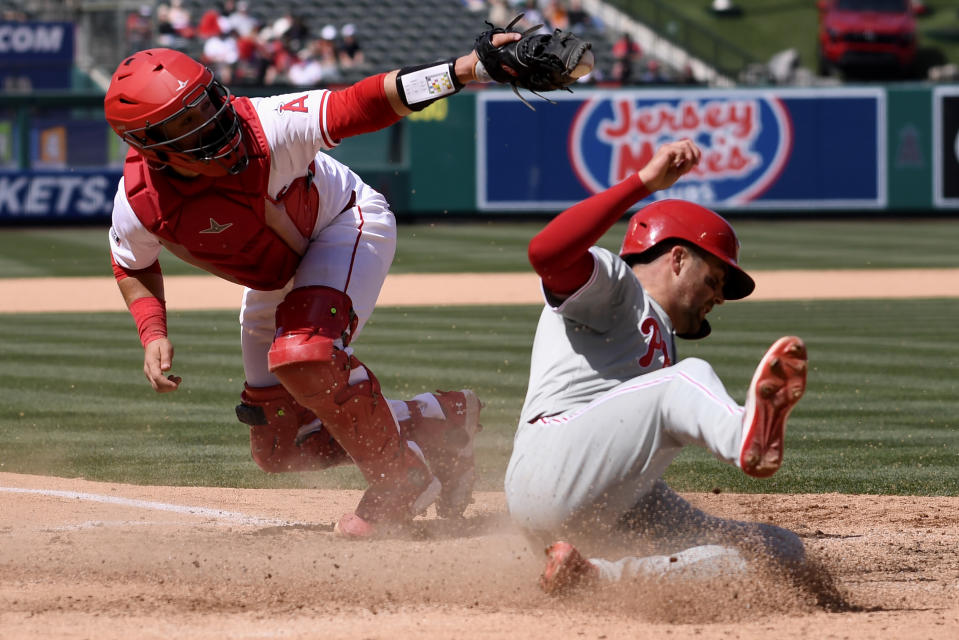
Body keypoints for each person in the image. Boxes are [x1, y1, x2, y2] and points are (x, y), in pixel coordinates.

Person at [103, 35, 518, 538]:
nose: (212, 124)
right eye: (185, 124)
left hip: (343, 222)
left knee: (306, 354)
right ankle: (440, 418)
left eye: (205, 105)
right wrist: (153, 332)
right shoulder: (141, 201)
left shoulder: (269, 125)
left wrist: (461, 71)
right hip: (275, 276)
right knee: (281, 449)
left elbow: (362, 102)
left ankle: (400, 480)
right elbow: (131, 262)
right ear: (152, 147)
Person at [503, 139, 809, 594]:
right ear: (678, 258)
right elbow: (546, 254)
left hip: (605, 501)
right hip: (551, 466)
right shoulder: (615, 284)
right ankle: (744, 436)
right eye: (714, 279)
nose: (719, 297)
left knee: (774, 551)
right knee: (683, 383)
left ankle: (590, 576)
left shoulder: (660, 334)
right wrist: (643, 183)